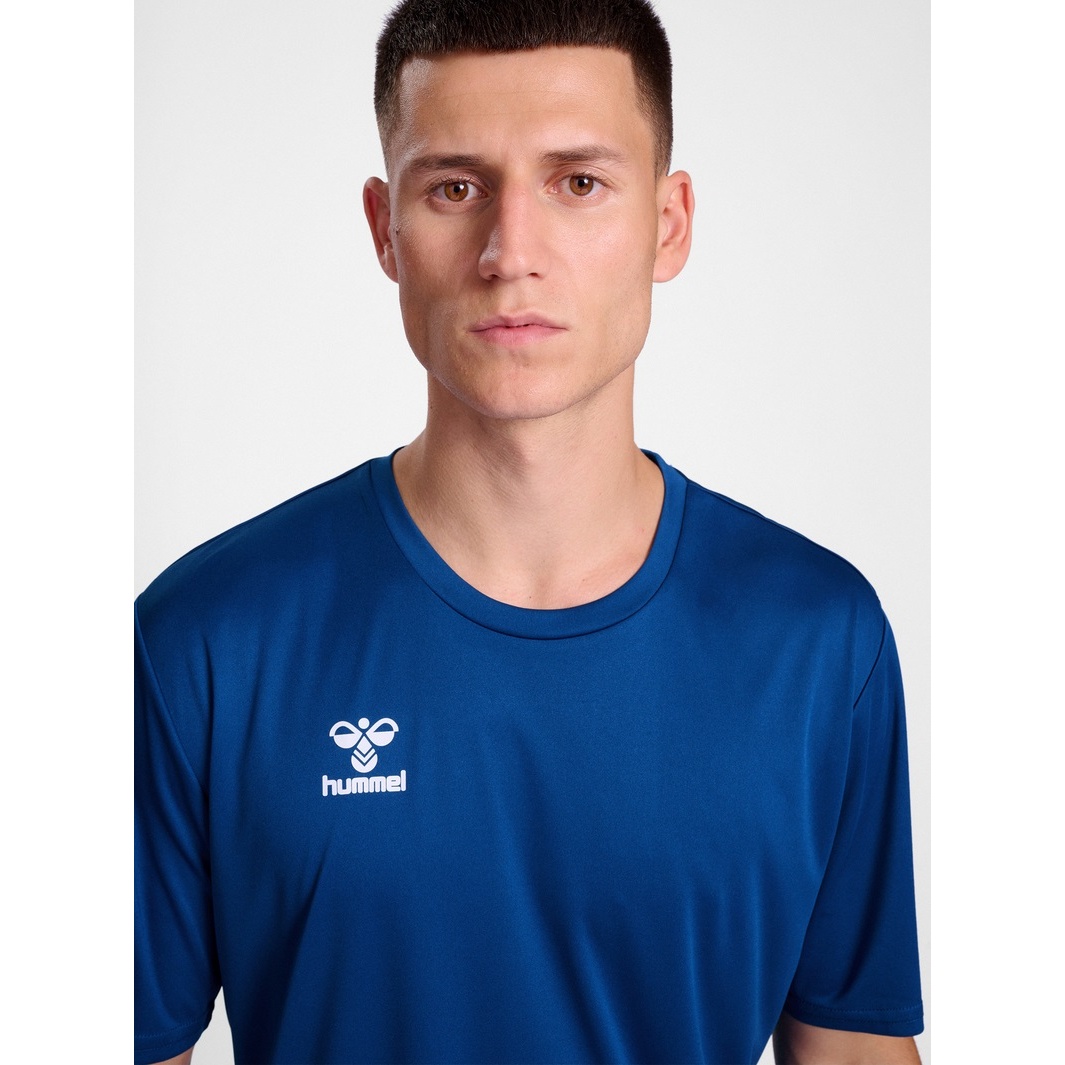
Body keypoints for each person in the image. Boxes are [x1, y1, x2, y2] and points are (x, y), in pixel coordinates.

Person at [135, 1, 925, 1062]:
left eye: (578, 183)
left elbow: (855, 1045)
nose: (511, 252)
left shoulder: (819, 641)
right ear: (384, 229)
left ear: (668, 224)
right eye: (455, 188)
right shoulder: (205, 641)